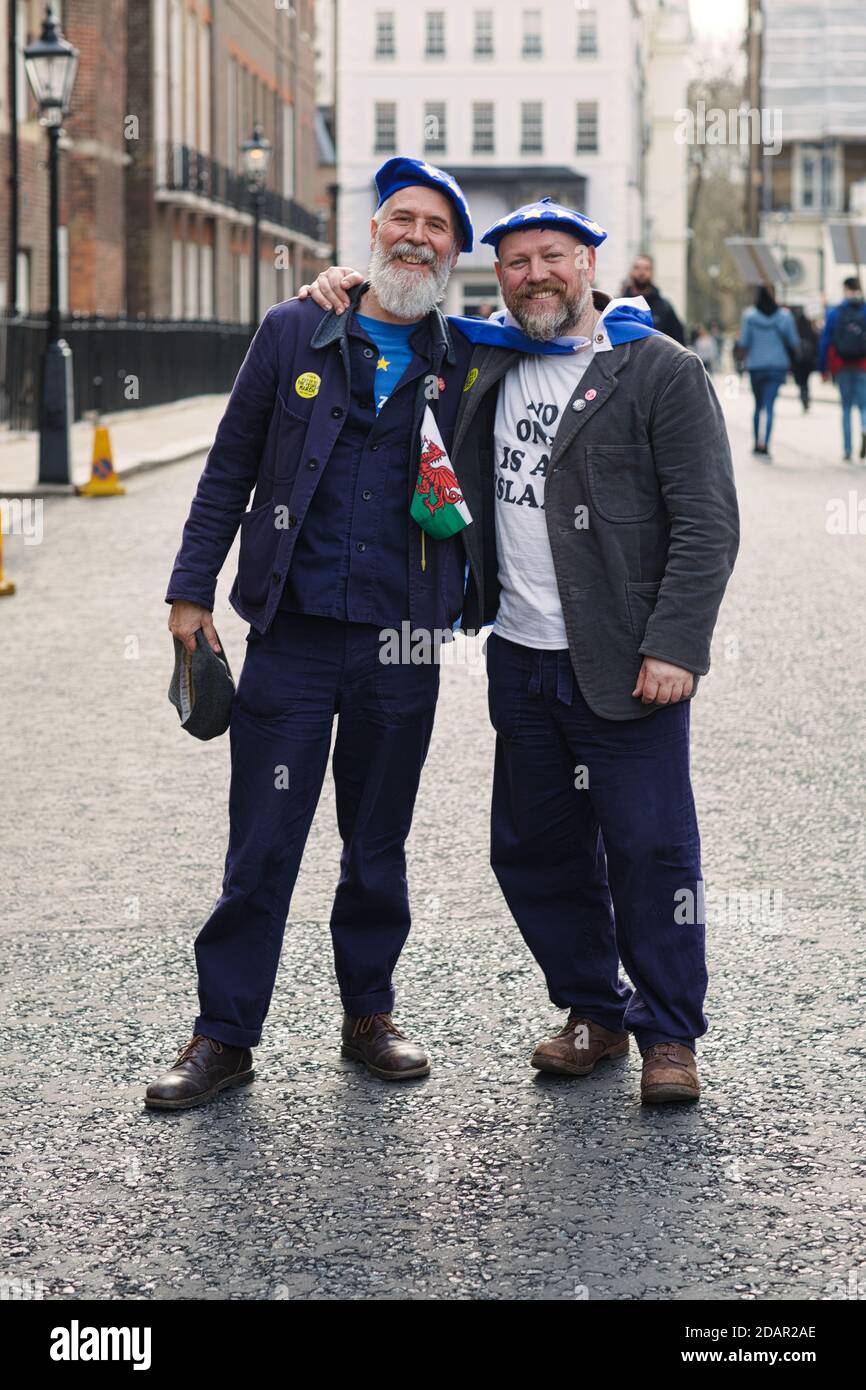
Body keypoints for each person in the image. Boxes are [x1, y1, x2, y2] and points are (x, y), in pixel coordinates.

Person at [302, 197, 739, 1105]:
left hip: (626, 659)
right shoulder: (483, 359)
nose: (535, 273)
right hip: (522, 654)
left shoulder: (655, 369)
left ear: (589, 264)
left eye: (553, 256)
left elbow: (707, 523)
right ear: (494, 278)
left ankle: (669, 1036)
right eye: (515, 262)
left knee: (652, 850)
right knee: (534, 849)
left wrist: (676, 646)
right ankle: (593, 1011)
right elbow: (397, 311)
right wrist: (339, 286)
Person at [146, 157, 478, 1109]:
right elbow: (228, 467)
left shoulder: (467, 359)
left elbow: (571, 329)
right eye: (402, 219)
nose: (417, 237)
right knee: (262, 843)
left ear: (455, 252)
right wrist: (189, 593)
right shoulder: (297, 326)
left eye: (437, 228)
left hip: (401, 640)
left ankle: (368, 1015)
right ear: (374, 230)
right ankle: (224, 1035)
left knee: (379, 840)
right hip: (289, 633)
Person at [736, 286, 800, 459]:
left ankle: (757, 442)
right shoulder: (784, 316)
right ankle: (766, 443)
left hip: (756, 365)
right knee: (770, 406)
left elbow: (744, 341)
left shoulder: (749, 316)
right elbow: (793, 340)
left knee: (757, 406)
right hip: (777, 365)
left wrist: (741, 360)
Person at [817, 276, 866, 462]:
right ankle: (864, 427)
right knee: (864, 405)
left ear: (845, 289)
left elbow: (825, 341)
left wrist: (822, 368)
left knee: (845, 408)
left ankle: (847, 449)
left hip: (842, 365)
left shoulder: (836, 312)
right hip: (863, 365)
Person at [621, 252, 685, 344]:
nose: (642, 273)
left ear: (652, 272)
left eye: (646, 269)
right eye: (637, 268)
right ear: (631, 271)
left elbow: (679, 342)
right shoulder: (619, 306)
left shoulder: (665, 308)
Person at [791, 306, 818, 412]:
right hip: (808, 360)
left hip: (797, 361)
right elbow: (816, 342)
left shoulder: (794, 328)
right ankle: (805, 396)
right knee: (805, 381)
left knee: (801, 381)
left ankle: (804, 396)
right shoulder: (809, 327)